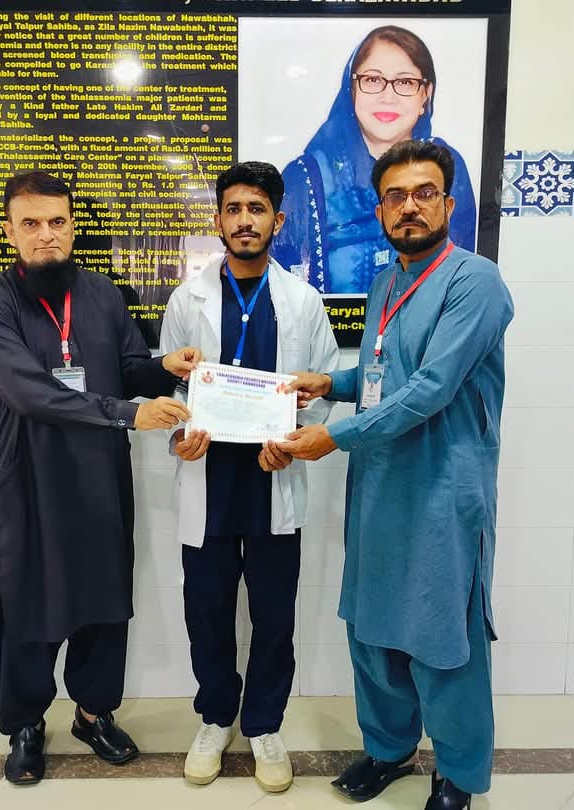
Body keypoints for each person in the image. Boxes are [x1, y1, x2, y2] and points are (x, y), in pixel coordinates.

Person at [280, 141, 512, 810]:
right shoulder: (388, 281)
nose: (410, 206)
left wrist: (335, 434)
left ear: (448, 203)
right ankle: (389, 749)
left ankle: (458, 773)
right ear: (380, 209)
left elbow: (432, 388)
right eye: (396, 196)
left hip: (443, 492)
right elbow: (383, 373)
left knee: (443, 637)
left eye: (424, 193)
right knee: (373, 627)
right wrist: (331, 382)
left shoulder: (475, 281)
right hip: (380, 487)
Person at [0, 171, 202, 786]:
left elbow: (126, 366)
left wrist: (165, 367)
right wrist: (127, 414)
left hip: (97, 475)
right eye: (31, 223)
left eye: (57, 222)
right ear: (10, 231)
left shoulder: (102, 293)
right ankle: (25, 723)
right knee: (25, 601)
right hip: (25, 477)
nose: (45, 235)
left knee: (102, 599)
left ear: (73, 227)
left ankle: (93, 713)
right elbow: (29, 391)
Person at [158, 162, 339, 792]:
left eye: (256, 209)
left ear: (277, 220)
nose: (244, 221)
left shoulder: (302, 301)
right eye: (233, 209)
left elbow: (319, 387)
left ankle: (263, 725)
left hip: (271, 485)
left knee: (274, 617)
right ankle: (215, 719)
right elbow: (171, 387)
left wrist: (295, 440)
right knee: (206, 613)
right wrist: (179, 437)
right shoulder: (186, 300)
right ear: (218, 219)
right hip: (209, 484)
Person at [272, 25, 477, 296]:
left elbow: (460, 282)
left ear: (425, 93)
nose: (387, 97)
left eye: (405, 82)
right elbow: (287, 291)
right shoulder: (305, 177)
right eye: (372, 80)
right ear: (352, 89)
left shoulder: (448, 168)